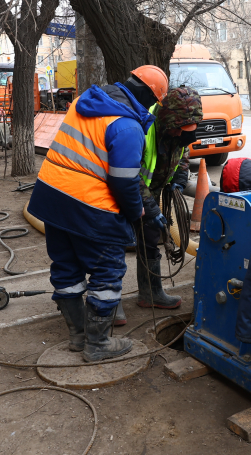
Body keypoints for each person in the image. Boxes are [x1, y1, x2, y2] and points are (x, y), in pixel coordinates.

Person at [26, 66, 169, 362]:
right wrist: (136, 212)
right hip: (89, 206)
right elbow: (124, 181)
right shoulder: (127, 126)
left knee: (66, 267)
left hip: (51, 196)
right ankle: (98, 344)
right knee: (107, 271)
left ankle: (78, 337)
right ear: (150, 97)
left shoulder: (82, 103)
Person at [114, 87, 203, 326]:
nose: (185, 136)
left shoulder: (180, 130)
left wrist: (180, 178)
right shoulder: (142, 128)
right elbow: (130, 173)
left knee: (149, 240)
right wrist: (151, 208)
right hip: (121, 189)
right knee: (114, 245)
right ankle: (110, 304)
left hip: (151, 192)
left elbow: (182, 152)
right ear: (169, 121)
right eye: (181, 131)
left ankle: (150, 293)